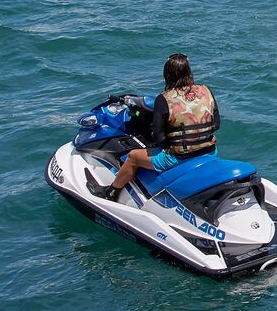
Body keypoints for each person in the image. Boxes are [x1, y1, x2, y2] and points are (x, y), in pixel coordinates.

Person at [92, 53, 220, 201]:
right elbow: (216, 124)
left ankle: (111, 192)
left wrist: (173, 142)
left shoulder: (164, 98)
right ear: (189, 72)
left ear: (167, 75)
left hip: (177, 158)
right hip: (209, 151)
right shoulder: (206, 90)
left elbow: (159, 137)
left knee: (133, 157)